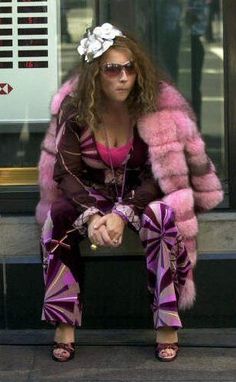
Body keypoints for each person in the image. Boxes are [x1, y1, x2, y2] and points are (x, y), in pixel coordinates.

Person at [36, 22, 223, 362]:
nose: (123, 76)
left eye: (129, 68)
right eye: (112, 69)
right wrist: (92, 216)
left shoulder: (153, 108)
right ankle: (63, 323)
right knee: (57, 219)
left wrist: (124, 213)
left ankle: (166, 322)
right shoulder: (75, 110)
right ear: (96, 74)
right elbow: (66, 172)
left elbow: (157, 175)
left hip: (141, 195)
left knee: (163, 217)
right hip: (90, 197)